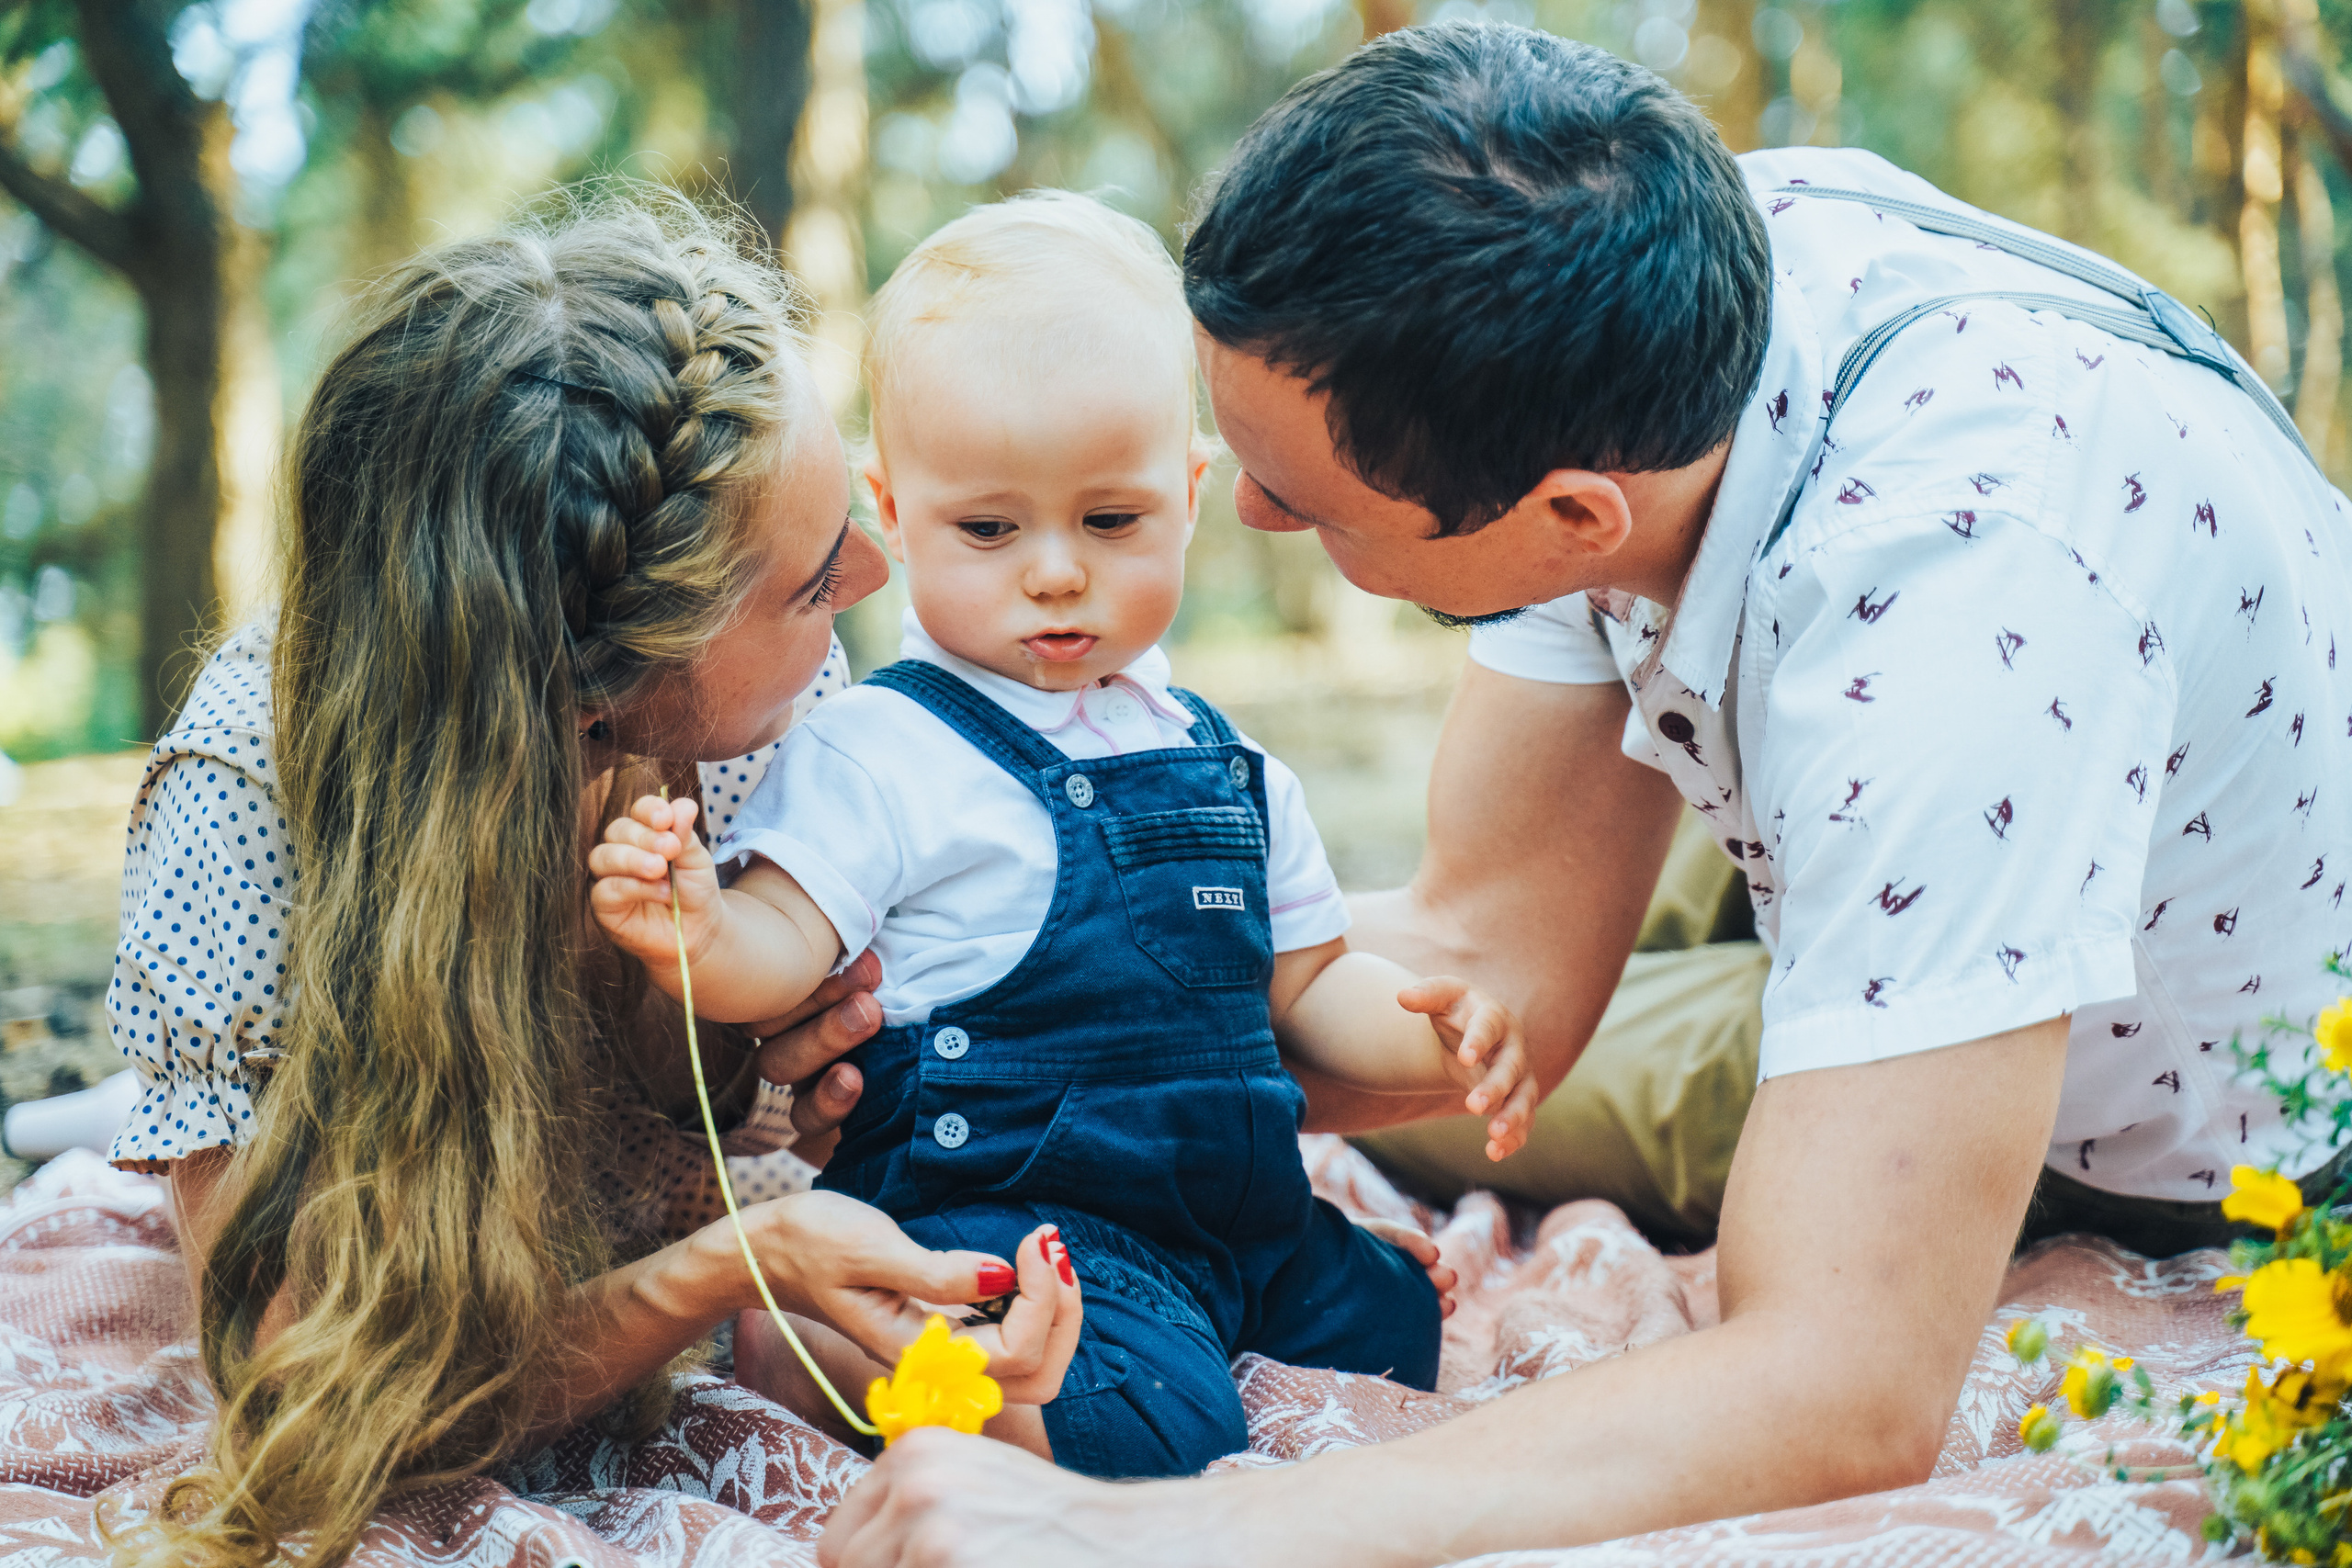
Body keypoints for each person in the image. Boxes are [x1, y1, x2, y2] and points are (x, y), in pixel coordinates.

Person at [814, 23, 2352, 1565]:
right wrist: (928, 1009)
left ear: (1571, 519)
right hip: (1888, 805)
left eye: (1310, 499)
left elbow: (1842, 1381)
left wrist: (1155, 1534)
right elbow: (1486, 953)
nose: (1255, 512)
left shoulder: (1960, 639)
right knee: (1469, 1052)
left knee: (1549, 1124)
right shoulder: (1597, 295)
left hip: (2172, 1089)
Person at [98, 192, 1081, 1568]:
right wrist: (732, 1264)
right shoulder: (247, 804)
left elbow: (787, 1127)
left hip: (646, 1244)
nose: (874, 572)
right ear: (600, 684)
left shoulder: (773, 722)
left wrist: (797, 1089)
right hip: (449, 1298)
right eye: (809, 586)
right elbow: (307, 1395)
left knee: (985, 1388)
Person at [589, 192, 1532, 1479]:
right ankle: (836, 1349)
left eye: (1109, 521)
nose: (1053, 572)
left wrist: (1438, 1036)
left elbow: (1308, 988)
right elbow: (783, 952)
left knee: (1400, 1326)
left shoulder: (1224, 760)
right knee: (1147, 1434)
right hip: (1013, 1218)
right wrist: (698, 932)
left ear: (1187, 495)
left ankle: (1225, 1305)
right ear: (891, 511)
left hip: (1236, 1218)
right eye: (989, 528)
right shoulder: (881, 747)